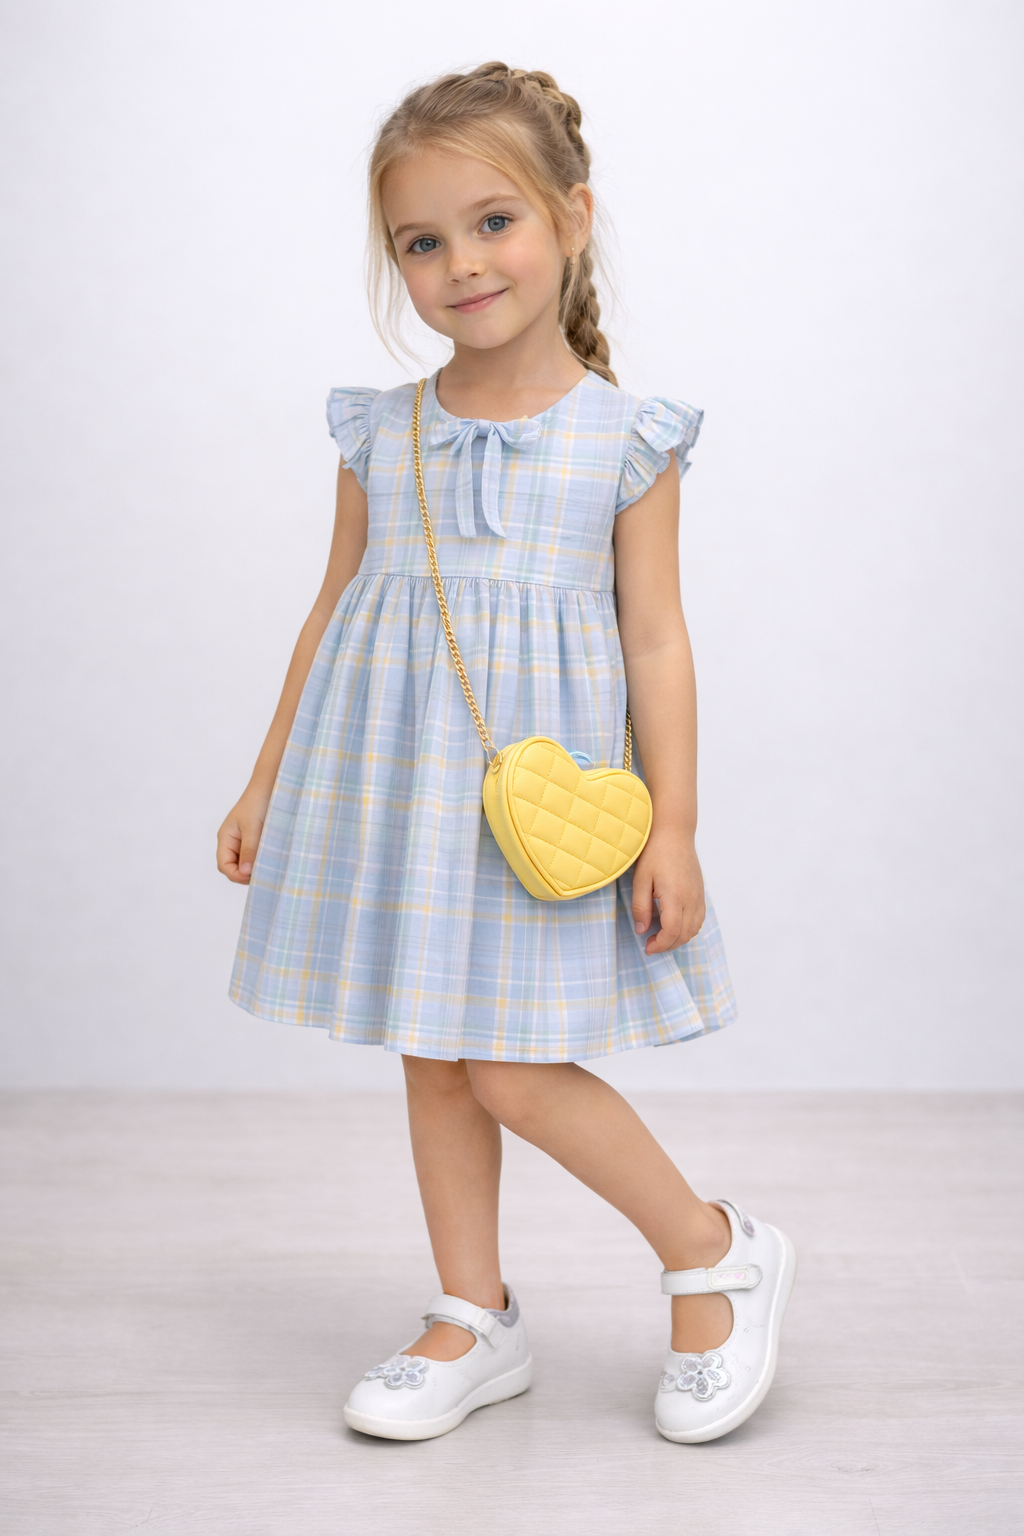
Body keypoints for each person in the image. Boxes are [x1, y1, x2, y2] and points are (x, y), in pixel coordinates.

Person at [217, 62, 795, 1445]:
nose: (462, 264)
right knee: (434, 1054)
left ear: (571, 219)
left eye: (494, 223)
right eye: (422, 242)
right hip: (399, 792)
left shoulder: (627, 440)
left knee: (513, 1065)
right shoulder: (382, 430)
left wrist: (675, 826)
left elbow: (657, 640)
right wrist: (266, 776)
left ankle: (714, 1251)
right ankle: (473, 1314)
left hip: (535, 812)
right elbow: (333, 608)